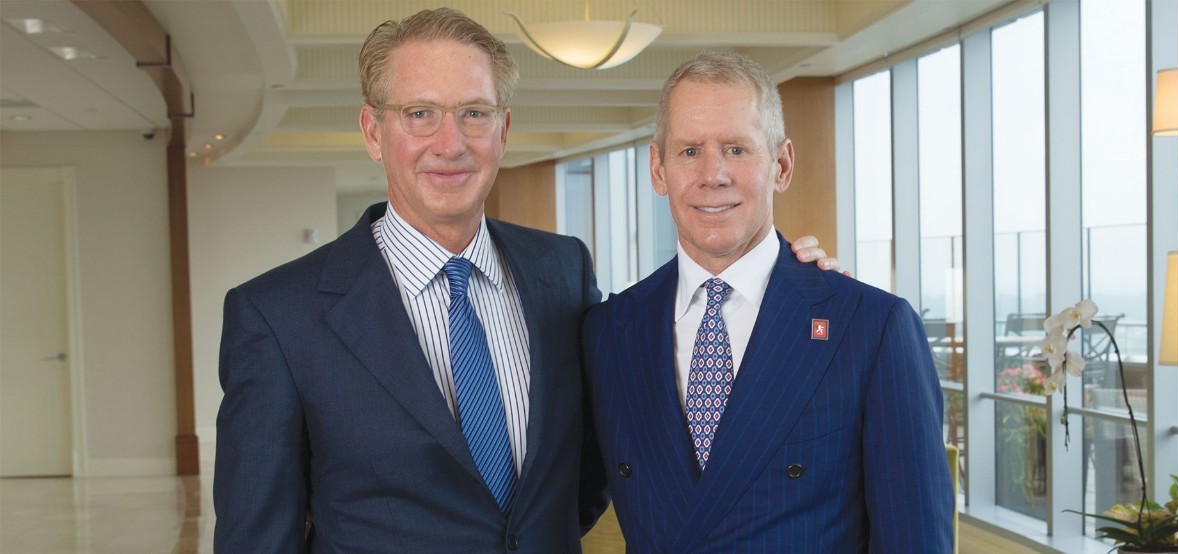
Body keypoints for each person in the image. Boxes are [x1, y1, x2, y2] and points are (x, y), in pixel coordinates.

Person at [213, 8, 841, 552]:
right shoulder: (278, 317)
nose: (450, 143)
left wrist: (785, 287)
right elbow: (255, 537)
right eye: (420, 113)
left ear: (504, 130)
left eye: (475, 113)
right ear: (374, 132)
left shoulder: (561, 273)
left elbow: (611, 447)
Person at [582, 52, 955, 552]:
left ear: (781, 165)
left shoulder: (871, 328)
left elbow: (915, 539)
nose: (712, 174)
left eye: (736, 149)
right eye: (690, 151)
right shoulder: (609, 330)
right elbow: (558, 503)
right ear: (658, 169)